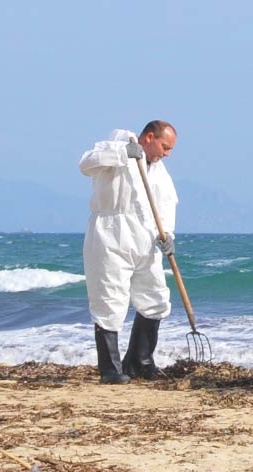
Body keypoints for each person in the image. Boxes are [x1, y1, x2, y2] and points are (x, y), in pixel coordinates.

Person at [78, 120, 179, 383]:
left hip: (146, 237)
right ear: (149, 137)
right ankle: (111, 370)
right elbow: (85, 165)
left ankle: (139, 361)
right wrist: (122, 153)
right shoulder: (114, 146)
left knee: (155, 297)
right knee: (110, 299)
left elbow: (167, 203)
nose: (167, 154)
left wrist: (167, 234)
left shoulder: (159, 170)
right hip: (111, 233)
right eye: (165, 147)